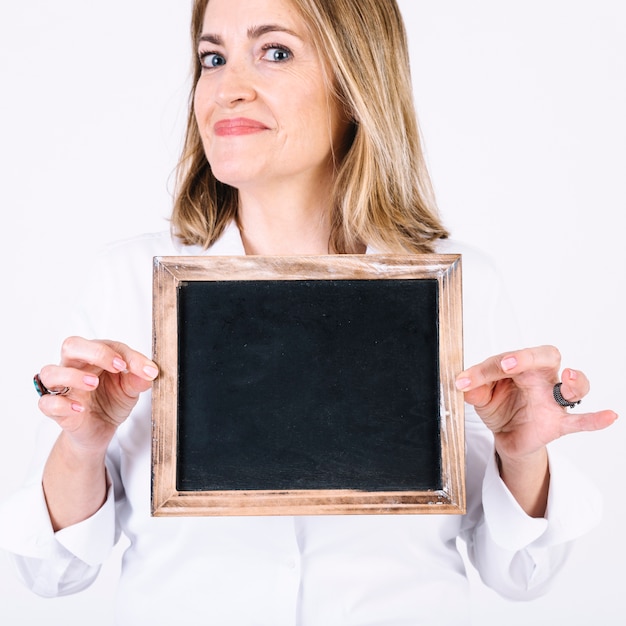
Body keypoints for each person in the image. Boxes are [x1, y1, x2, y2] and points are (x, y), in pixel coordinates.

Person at [0, 0, 618, 624]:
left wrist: (521, 453)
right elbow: (51, 573)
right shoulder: (131, 281)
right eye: (212, 58)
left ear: (356, 85)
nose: (227, 89)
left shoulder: (454, 285)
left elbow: (520, 574)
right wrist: (81, 445)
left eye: (275, 52)